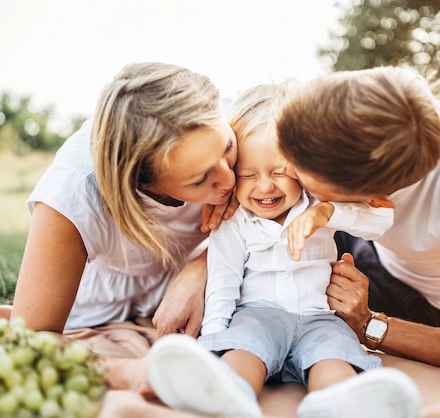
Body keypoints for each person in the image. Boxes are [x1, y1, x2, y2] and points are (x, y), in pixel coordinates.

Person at [146, 83, 421, 418]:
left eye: (279, 172)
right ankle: (228, 395)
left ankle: (335, 403)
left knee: (334, 355)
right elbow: (223, 279)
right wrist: (214, 340)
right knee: (242, 347)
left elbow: (379, 222)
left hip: (321, 317)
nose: (265, 186)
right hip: (258, 314)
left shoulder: (318, 203)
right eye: (248, 175)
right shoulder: (233, 220)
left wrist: (330, 212)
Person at [275, 66, 440, 382]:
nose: (285, 171)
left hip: (416, 297)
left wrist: (367, 323)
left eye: (303, 175)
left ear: (375, 202)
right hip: (361, 240)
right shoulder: (373, 94)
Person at [11, 62, 238, 338]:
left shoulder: (240, 121)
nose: (229, 180)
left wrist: (203, 265)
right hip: (97, 307)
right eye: (200, 179)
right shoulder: (74, 191)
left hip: (202, 279)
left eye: (228, 147)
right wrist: (127, 372)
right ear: (143, 182)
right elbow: (31, 335)